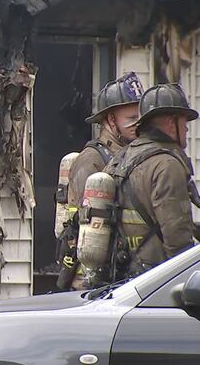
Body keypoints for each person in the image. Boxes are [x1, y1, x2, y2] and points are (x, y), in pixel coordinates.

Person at [104, 83, 200, 279]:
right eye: (183, 122)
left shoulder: (121, 158)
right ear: (171, 123)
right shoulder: (167, 165)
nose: (186, 128)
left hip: (120, 276)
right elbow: (178, 240)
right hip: (154, 280)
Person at [55, 72, 143, 290]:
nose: (138, 124)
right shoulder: (91, 160)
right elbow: (84, 228)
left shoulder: (131, 156)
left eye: (140, 117)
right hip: (90, 282)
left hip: (120, 274)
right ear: (111, 120)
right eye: (131, 118)